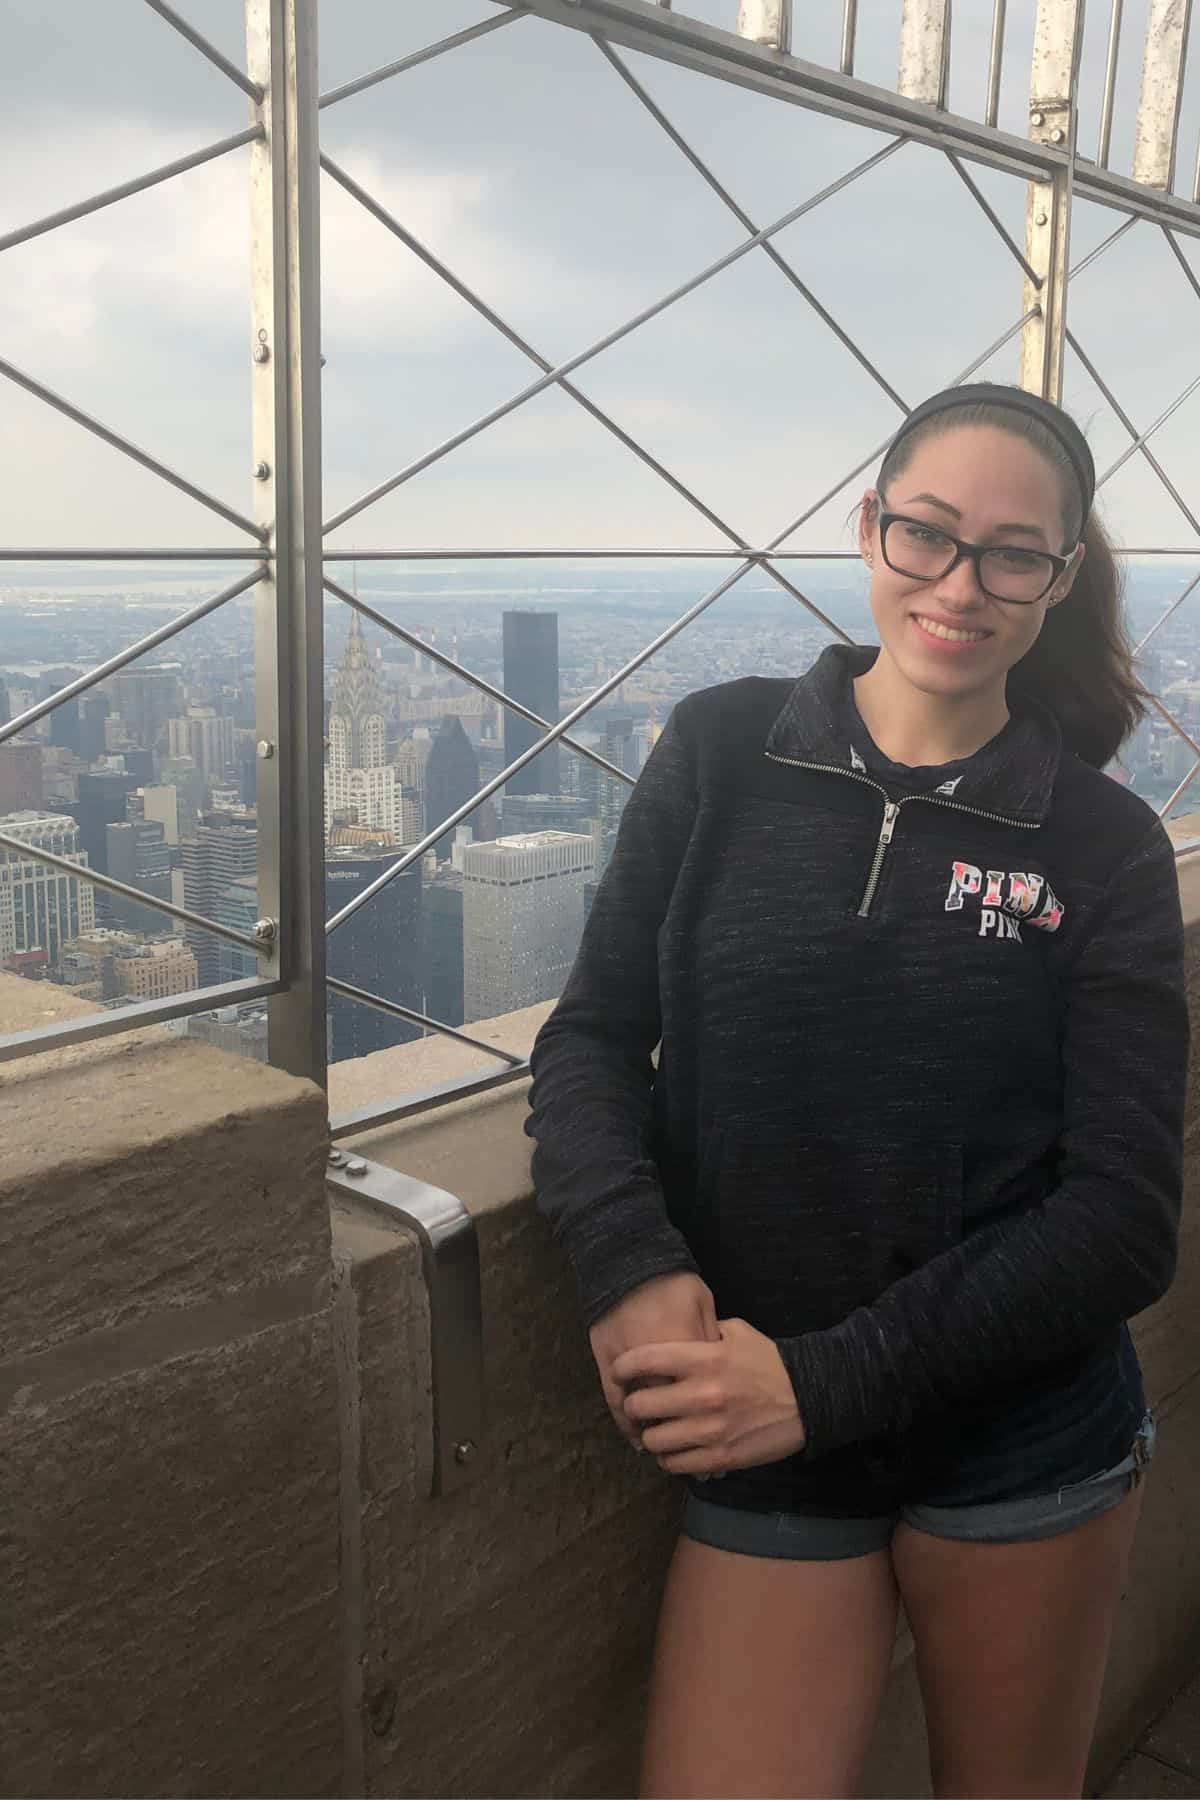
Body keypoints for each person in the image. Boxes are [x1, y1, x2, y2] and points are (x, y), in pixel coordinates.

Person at [523, 381, 1190, 1799]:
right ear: (868, 527)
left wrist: (815, 1385)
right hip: (763, 1437)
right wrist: (627, 1264)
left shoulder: (1103, 844)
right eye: (927, 535)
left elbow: (1125, 1217)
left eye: (1014, 553)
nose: (962, 584)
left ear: (1061, 581)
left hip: (1014, 1439)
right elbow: (590, 1042)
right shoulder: (719, 751)